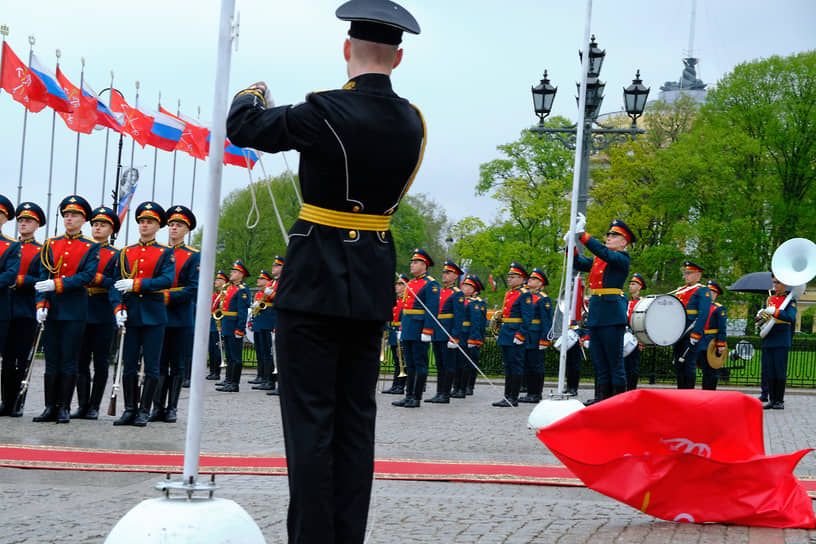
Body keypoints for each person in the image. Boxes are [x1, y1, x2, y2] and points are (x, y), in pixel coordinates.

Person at [227, 2, 423, 538]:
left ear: (346, 50)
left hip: (314, 276)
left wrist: (253, 93)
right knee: (356, 424)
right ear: (398, 59)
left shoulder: (323, 110)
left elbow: (243, 127)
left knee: (311, 423)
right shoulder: (414, 121)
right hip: (371, 279)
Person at [33, 196, 100, 424]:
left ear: (83, 220)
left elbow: (87, 276)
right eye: (66, 215)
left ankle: (64, 406)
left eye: (74, 216)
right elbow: (43, 276)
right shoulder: (51, 243)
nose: (69, 219)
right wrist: (41, 303)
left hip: (74, 308)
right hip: (53, 308)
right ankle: (49, 406)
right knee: (51, 359)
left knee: (69, 359)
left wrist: (57, 284)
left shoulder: (91, 247)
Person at [111, 202, 175, 426]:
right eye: (142, 221)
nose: (145, 225)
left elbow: (166, 280)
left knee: (152, 365)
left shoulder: (165, 253)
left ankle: (144, 410)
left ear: (158, 226)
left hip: (153, 315)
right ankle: (129, 408)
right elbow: (115, 284)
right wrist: (118, 308)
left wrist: (137, 284)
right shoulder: (126, 252)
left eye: (149, 222)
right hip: (131, 315)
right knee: (128, 363)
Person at [571, 215, 634, 401]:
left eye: (614, 236)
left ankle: (617, 401)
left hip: (612, 314)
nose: (608, 238)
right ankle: (601, 399)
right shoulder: (600, 260)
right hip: (597, 313)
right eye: (608, 235)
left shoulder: (622, 258)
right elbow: (578, 263)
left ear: (623, 242)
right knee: (599, 362)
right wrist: (570, 246)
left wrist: (583, 235)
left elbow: (604, 253)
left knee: (614, 363)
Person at [150, 205, 199, 422]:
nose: (173, 228)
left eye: (178, 225)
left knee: (177, 364)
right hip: (158, 315)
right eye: (171, 224)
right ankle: (157, 406)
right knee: (159, 362)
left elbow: (193, 288)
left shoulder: (193, 256)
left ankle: (172, 408)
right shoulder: (159, 252)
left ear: (187, 230)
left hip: (180, 316)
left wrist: (165, 296)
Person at [73, 206, 120, 420]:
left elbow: (118, 283)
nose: (98, 228)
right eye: (95, 224)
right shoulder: (81, 249)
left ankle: (94, 406)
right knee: (80, 360)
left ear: (111, 230)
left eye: (103, 225)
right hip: (81, 307)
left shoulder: (116, 255)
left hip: (102, 311)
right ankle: (82, 404)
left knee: (100, 361)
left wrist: (99, 278)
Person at [0, 201, 36, 417]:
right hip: (6, 306)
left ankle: (16, 401)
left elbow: (42, 278)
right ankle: (6, 401)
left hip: (24, 308)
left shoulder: (40, 250)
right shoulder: (12, 245)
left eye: (28, 220)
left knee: (20, 359)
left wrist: (19, 280)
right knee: (7, 359)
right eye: (21, 220)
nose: (23, 224)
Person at [392, 249, 438, 408]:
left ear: (424, 265)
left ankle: (416, 397)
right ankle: (408, 395)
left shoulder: (431, 283)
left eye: (415, 262)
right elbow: (405, 308)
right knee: (409, 364)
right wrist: (402, 328)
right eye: (412, 262)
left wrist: (427, 331)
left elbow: (432, 310)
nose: (412, 264)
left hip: (420, 328)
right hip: (409, 327)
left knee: (420, 364)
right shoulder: (410, 283)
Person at [493, 262, 533, 407]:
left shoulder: (525, 294)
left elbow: (528, 318)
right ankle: (507, 396)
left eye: (513, 276)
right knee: (508, 366)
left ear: (522, 278)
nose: (509, 279)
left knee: (515, 366)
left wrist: (521, 335)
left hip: (515, 334)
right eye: (509, 276)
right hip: (506, 332)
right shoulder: (509, 293)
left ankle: (513, 397)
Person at [427, 260, 465, 404]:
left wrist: (454, 336)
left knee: (448, 365)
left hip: (448, 333)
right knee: (440, 365)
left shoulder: (457, 294)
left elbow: (459, 317)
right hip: (438, 332)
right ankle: (439, 392)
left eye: (448, 273)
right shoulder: (441, 292)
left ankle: (445, 394)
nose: (444, 275)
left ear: (455, 276)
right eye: (444, 272)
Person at [671, 261, 711, 389]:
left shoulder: (702, 290)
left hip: (690, 332)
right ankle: (680, 391)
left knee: (688, 364)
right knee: (678, 363)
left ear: (698, 275)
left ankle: (688, 393)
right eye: (686, 273)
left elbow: (703, 313)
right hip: (678, 332)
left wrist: (696, 333)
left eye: (690, 273)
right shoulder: (681, 290)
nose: (686, 276)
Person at [759, 275, 795, 409]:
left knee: (779, 371)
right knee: (770, 371)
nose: (775, 285)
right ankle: (772, 399)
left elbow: (790, 317)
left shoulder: (790, 300)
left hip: (781, 340)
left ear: (784, 285)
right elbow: (763, 318)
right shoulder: (769, 299)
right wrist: (759, 317)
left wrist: (776, 312)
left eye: (778, 283)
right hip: (769, 339)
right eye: (774, 282)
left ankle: (779, 400)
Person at [215, 260, 251, 393]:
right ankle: (228, 380)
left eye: (235, 272)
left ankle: (234, 383)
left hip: (234, 325)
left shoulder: (242, 290)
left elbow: (242, 312)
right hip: (227, 324)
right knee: (229, 355)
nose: (231, 274)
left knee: (236, 356)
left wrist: (240, 329)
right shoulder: (230, 288)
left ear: (241, 275)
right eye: (232, 271)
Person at [519, 267, 552, 404]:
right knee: (526, 364)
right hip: (526, 335)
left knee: (536, 365)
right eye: (530, 278)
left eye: (534, 279)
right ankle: (528, 390)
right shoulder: (525, 296)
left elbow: (547, 321)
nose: (530, 280)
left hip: (536, 335)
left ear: (541, 284)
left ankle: (535, 393)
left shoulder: (543, 299)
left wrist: (544, 340)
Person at [458, 274, 486, 397]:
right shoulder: (462, 300)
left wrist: (473, 338)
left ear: (474, 289)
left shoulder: (476, 302)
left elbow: (477, 322)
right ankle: (458, 385)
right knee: (459, 362)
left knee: (469, 362)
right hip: (460, 334)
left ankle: (468, 386)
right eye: (463, 284)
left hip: (469, 335)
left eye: (467, 285)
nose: (463, 287)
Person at [249, 269, 275, 391]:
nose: (258, 280)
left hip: (267, 323)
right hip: (258, 323)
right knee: (259, 351)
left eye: (261, 279)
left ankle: (267, 377)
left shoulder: (269, 291)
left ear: (267, 281)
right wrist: (251, 321)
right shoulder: (259, 294)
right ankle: (260, 375)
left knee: (267, 352)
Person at [382, 273, 408, 395]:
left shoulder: (406, 301)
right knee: (396, 361)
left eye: (400, 284)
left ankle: (400, 385)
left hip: (400, 332)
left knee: (401, 361)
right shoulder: (396, 301)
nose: (397, 286)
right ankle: (395, 385)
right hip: (392, 332)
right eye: (397, 284)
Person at [624, 273, 646, 391]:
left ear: (640, 286)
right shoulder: (626, 302)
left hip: (635, 336)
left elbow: (643, 322)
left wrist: (641, 341)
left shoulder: (642, 302)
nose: (630, 286)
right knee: (624, 365)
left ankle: (631, 389)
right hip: (625, 335)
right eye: (630, 284)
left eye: (633, 284)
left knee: (633, 366)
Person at [207, 270, 229, 381]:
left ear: (224, 282)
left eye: (218, 279)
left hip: (218, 324)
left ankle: (216, 372)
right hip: (211, 323)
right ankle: (212, 371)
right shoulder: (215, 295)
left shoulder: (224, 295)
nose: (216, 281)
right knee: (211, 349)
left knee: (217, 349)